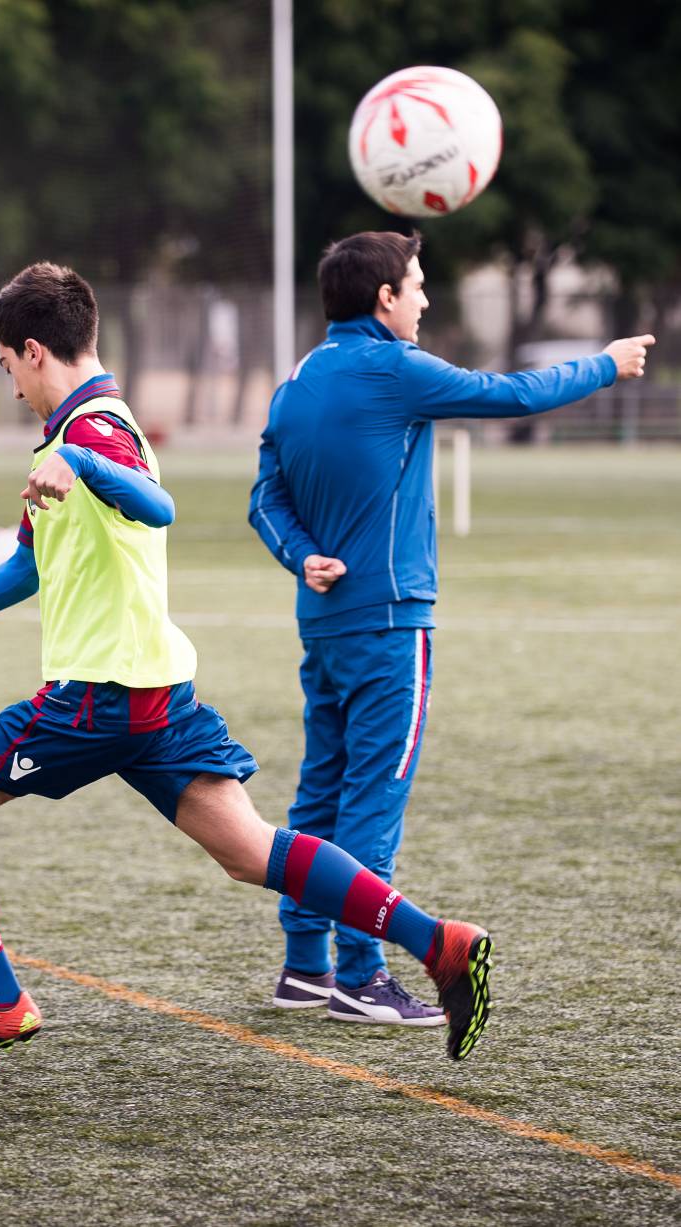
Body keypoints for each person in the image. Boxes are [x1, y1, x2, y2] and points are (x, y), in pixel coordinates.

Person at [0, 261, 495, 1075]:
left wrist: (83, 464)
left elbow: (156, 505)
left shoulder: (93, 433)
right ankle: (440, 942)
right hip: (155, 696)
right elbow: (27, 568)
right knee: (249, 850)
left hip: (96, 697)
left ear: (32, 350)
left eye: (5, 366)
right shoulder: (78, 432)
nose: (11, 384)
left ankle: (0, 1000)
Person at [249, 230, 654, 1026]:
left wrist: (300, 556)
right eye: (418, 285)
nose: (426, 299)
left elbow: (265, 497)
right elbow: (511, 396)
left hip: (324, 626)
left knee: (320, 794)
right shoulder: (393, 369)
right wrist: (605, 362)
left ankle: (303, 964)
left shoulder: (296, 382)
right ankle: (361, 977)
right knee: (370, 802)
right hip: (391, 622)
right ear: (384, 299)